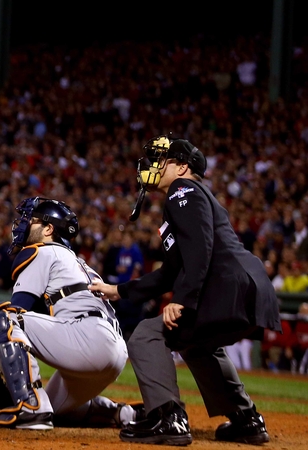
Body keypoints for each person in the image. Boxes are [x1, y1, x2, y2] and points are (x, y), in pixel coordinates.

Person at [89, 136, 281, 445]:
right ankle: (246, 419)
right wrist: (118, 290)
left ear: (182, 167)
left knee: (147, 334)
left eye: (162, 161)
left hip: (228, 286)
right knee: (196, 343)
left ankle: (168, 417)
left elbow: (200, 248)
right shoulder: (190, 195)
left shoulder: (183, 190)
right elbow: (170, 272)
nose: (153, 166)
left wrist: (183, 300)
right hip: (246, 287)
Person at [0, 197, 141, 430]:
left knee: (0, 314)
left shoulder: (44, 251)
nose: (23, 225)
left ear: (48, 229)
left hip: (88, 339)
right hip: (114, 353)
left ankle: (30, 407)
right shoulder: (76, 262)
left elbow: (16, 312)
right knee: (54, 410)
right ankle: (122, 413)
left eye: (31, 221)